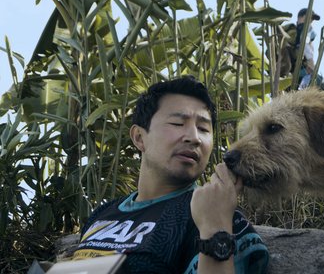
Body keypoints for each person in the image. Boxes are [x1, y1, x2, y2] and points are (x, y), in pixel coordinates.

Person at [72, 76, 269, 273]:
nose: (194, 138)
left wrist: (215, 227)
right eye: (177, 123)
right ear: (139, 138)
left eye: (203, 128)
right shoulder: (102, 214)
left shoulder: (210, 212)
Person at [294, 8, 324, 93]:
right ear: (304, 16)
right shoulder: (307, 29)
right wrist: (310, 62)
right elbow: (304, 43)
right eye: (311, 18)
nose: (312, 21)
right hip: (303, 71)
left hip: (291, 75)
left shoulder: (292, 30)